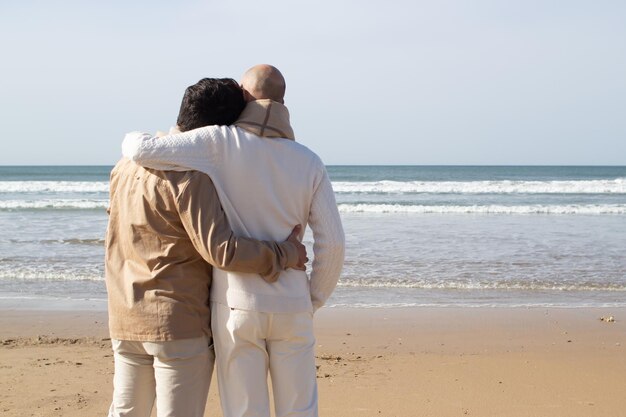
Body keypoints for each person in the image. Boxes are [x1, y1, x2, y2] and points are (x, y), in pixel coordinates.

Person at [122, 65, 345, 417]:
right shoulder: (310, 161)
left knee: (244, 411)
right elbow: (332, 245)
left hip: (236, 304)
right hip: (292, 302)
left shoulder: (218, 142)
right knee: (300, 410)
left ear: (244, 95)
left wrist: (132, 135)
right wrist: (311, 299)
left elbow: (143, 151)